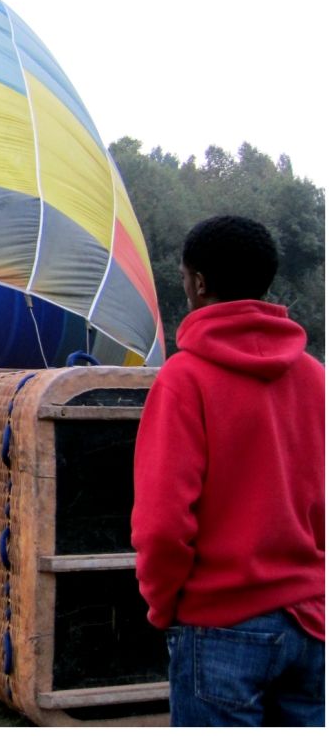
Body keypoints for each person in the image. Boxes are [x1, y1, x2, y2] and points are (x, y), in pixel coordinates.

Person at [131, 214, 324, 726]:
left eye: (183, 277)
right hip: (313, 626)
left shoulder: (184, 379)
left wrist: (162, 606)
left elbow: (162, 524)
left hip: (219, 627)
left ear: (198, 283)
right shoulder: (317, 379)